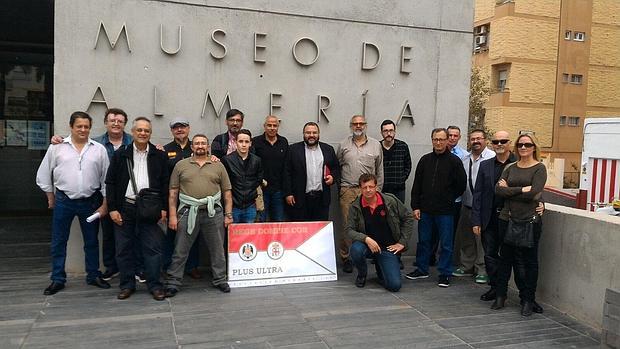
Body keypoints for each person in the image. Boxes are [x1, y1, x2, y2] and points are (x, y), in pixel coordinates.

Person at [51, 108, 134, 281]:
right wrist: (50, 196)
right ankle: (109, 268)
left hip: (125, 196)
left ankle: (132, 269)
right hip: (85, 198)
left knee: (126, 234)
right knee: (106, 234)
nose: (116, 123)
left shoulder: (134, 142)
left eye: (120, 121)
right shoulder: (97, 144)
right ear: (106, 122)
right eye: (112, 120)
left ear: (125, 124)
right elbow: (45, 173)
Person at [36, 111, 111, 295]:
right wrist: (50, 197)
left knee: (92, 241)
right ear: (71, 127)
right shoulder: (57, 147)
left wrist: (105, 204)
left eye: (86, 126)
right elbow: (44, 173)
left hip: (91, 203)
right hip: (63, 202)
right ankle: (58, 279)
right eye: (79, 126)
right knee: (59, 241)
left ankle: (93, 275)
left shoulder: (98, 149)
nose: (83, 130)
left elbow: (106, 179)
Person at [105, 117, 169, 301]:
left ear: (150, 133)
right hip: (125, 207)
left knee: (153, 249)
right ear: (132, 132)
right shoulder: (121, 154)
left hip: (150, 209)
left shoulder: (159, 156)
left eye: (146, 131)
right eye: (139, 130)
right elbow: (110, 182)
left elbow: (166, 184)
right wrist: (112, 208)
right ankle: (126, 285)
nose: (143, 133)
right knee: (123, 249)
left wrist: (164, 208)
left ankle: (155, 285)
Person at [164, 134, 233, 297]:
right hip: (187, 211)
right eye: (197, 144)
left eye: (203, 143)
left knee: (217, 249)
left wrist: (228, 214)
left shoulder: (218, 165)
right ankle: (173, 281)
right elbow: (173, 193)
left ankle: (220, 279)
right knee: (180, 249)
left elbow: (227, 192)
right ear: (192, 147)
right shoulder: (181, 165)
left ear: (208, 146)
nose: (200, 146)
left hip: (213, 212)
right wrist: (173, 216)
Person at [492, 133, 547, 316]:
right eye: (520, 145)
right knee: (505, 260)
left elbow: (534, 193)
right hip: (507, 219)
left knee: (530, 262)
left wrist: (511, 190)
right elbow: (498, 191)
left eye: (527, 144)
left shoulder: (539, 168)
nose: (523, 147)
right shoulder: (510, 167)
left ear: (534, 147)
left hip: (529, 221)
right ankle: (500, 296)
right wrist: (522, 189)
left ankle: (528, 300)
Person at [405, 128, 466, 288]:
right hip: (425, 210)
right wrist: (415, 206)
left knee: (446, 244)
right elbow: (417, 184)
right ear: (432, 140)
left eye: (441, 139)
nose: (438, 142)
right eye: (435, 139)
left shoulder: (454, 161)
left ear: (447, 141)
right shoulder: (425, 160)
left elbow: (461, 184)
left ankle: (445, 273)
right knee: (424, 241)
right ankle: (422, 268)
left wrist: (448, 199)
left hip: (446, 211)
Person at [347, 174, 413, 292]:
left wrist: (402, 242)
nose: (368, 190)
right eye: (364, 187)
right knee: (355, 250)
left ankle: (380, 265)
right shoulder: (355, 206)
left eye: (371, 187)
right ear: (360, 189)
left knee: (394, 285)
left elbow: (408, 218)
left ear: (376, 187)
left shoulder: (390, 200)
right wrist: (366, 239)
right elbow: (349, 230)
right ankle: (362, 274)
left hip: (387, 247)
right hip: (367, 246)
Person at [337, 115, 384, 273]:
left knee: (369, 224)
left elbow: (380, 170)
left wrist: (378, 191)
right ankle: (346, 258)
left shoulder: (376, 145)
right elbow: (337, 167)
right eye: (355, 124)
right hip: (348, 190)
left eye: (361, 123)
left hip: (369, 191)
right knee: (347, 225)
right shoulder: (343, 144)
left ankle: (370, 254)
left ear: (366, 125)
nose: (358, 126)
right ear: (351, 126)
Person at [453, 129, 495, 284]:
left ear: (485, 140)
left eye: (479, 138)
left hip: (483, 207)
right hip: (467, 203)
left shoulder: (492, 158)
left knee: (481, 240)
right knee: (466, 238)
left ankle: (482, 269)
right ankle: (467, 265)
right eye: (473, 139)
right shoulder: (465, 158)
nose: (476, 141)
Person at [162, 118, 201, 280]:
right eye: (176, 127)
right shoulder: (164, 150)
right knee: (171, 234)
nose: (179, 130)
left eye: (183, 127)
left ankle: (192, 266)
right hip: (174, 201)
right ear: (172, 131)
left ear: (189, 128)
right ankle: (169, 267)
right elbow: (162, 178)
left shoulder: (198, 148)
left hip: (193, 201)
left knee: (194, 234)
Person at [284, 122, 340, 221]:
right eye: (308, 132)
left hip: (321, 199)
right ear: (303, 134)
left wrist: (333, 178)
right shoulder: (293, 150)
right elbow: (286, 172)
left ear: (319, 134)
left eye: (314, 132)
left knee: (319, 230)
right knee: (301, 231)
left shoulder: (328, 149)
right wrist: (288, 193)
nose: (311, 135)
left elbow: (336, 168)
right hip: (300, 198)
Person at [252, 115, 289, 222]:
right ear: (264, 126)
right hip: (261, 190)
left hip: (278, 190)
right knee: (261, 221)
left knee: (278, 221)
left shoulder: (283, 142)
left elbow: (286, 167)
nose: (272, 128)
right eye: (269, 125)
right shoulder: (256, 142)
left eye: (275, 125)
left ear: (278, 127)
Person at [222, 129, 263, 223]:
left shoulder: (257, 160)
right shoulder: (227, 160)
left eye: (246, 141)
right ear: (235, 142)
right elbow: (225, 182)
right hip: (233, 205)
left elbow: (259, 179)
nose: (244, 144)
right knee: (234, 234)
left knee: (249, 235)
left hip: (250, 205)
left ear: (250, 143)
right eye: (240, 141)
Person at [380, 119, 412, 203]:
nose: (389, 134)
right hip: (381, 190)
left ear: (395, 132)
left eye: (391, 130)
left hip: (399, 190)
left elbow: (408, 165)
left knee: (398, 214)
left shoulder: (403, 146)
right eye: (385, 131)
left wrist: (401, 179)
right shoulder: (377, 147)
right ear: (381, 133)